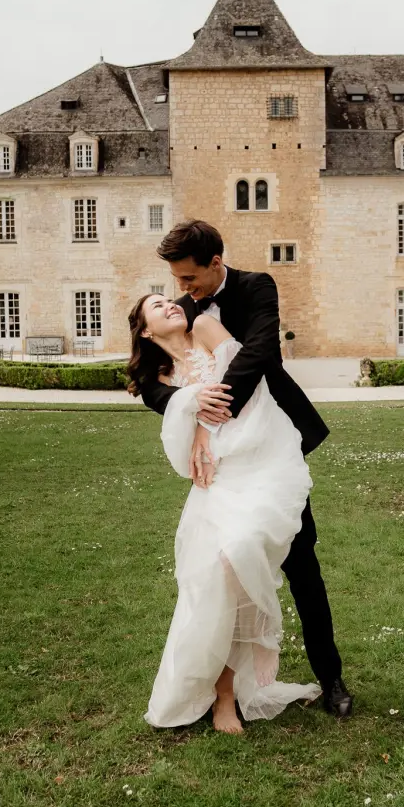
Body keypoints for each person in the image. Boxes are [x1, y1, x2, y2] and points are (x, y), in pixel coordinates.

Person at [138, 219, 353, 719]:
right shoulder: (182, 313)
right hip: (227, 461)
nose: (182, 290)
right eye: (176, 281)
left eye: (189, 279)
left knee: (303, 565)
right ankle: (222, 691)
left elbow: (259, 353)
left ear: (215, 263)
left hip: (272, 445)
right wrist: (191, 405)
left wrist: (211, 409)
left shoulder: (258, 286)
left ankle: (331, 677)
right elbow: (152, 385)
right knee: (224, 568)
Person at [128, 293, 321, 732]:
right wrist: (194, 418)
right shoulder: (160, 377)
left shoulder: (206, 329)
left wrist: (201, 425)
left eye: (169, 299)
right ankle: (223, 695)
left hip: (262, 457)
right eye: (157, 307)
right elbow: (175, 409)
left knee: (242, 550)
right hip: (219, 478)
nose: (170, 304)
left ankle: (229, 688)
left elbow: (243, 382)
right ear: (145, 330)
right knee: (214, 576)